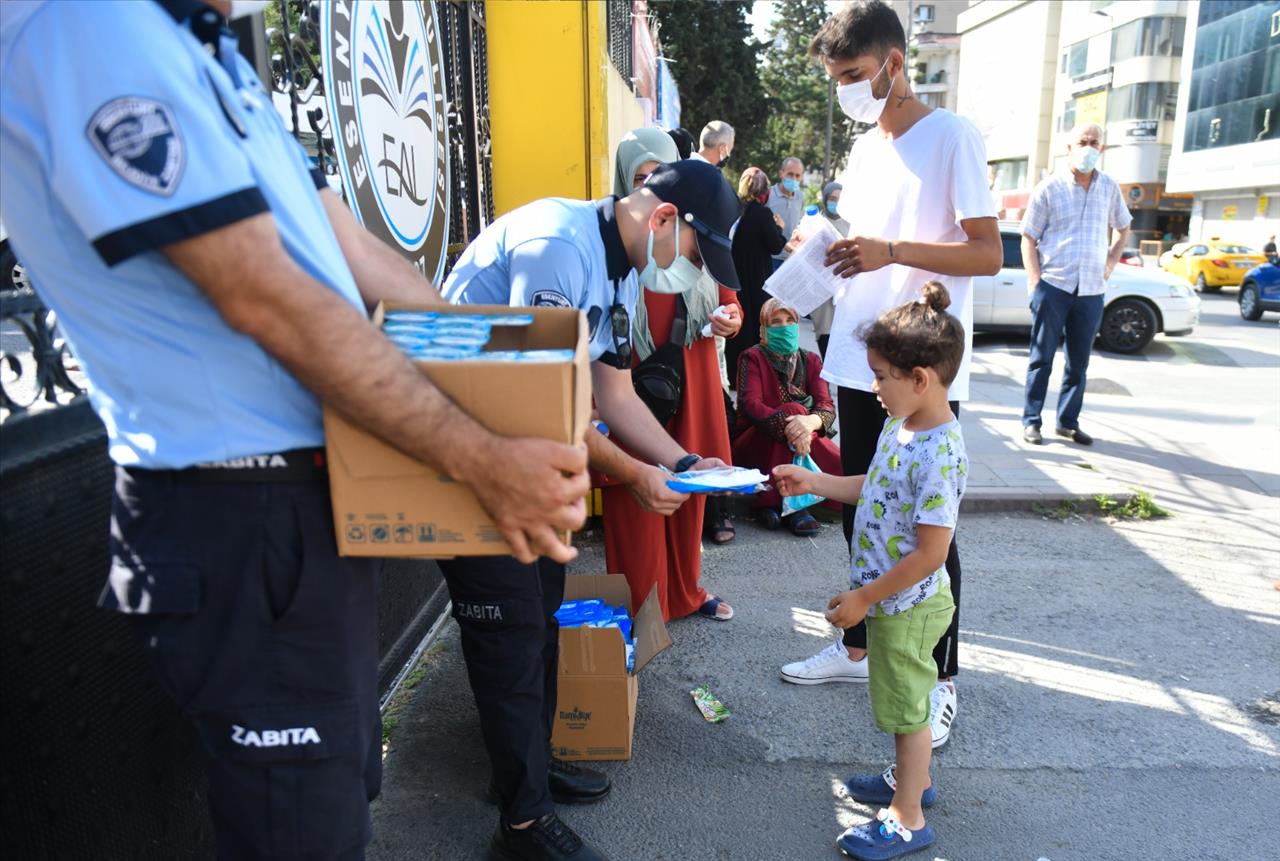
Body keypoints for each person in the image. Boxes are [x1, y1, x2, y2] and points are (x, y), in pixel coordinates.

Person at [0, 2, 589, 859]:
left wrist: (511, 390)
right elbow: (260, 292)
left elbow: (360, 259)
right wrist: (482, 455)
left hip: (306, 509)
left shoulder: (204, 51)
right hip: (236, 511)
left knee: (341, 794)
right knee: (299, 829)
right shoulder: (90, 25)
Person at [442, 158, 742, 858]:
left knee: (541, 609)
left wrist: (684, 462)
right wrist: (637, 474)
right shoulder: (560, 248)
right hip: (462, 453)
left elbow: (614, 396)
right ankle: (519, 824)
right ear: (666, 220)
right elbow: (547, 408)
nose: (692, 275)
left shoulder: (618, 264)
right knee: (509, 633)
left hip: (517, 452)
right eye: (699, 257)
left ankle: (529, 771)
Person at [778, 0, 1001, 753]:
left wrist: (892, 252)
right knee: (862, 511)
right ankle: (857, 649)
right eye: (837, 76)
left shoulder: (952, 136)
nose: (845, 88)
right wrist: (820, 255)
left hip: (918, 366)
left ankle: (941, 680)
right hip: (856, 352)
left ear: (895, 63)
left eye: (854, 74)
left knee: (929, 528)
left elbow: (987, 254)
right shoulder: (866, 146)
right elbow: (861, 244)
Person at [774, 282, 968, 861]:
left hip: (907, 606)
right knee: (901, 702)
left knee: (908, 711)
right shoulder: (901, 425)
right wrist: (816, 481)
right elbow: (872, 487)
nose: (873, 387)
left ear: (921, 379)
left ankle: (907, 816)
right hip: (891, 603)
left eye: (881, 376)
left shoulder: (940, 450)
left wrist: (864, 599)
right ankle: (915, 781)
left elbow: (933, 553)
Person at [1020, 122, 1132, 448]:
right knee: (1041, 359)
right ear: (1069, 147)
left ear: (1102, 149)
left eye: (1094, 142)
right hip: (1054, 285)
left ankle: (1068, 422)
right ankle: (1032, 421)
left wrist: (1111, 261)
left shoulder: (1109, 187)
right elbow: (1028, 237)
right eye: (1082, 141)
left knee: (1079, 363)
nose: (1088, 147)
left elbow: (1123, 227)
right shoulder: (1049, 188)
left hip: (1091, 290)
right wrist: (1035, 282)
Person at [732, 298, 841, 536]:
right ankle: (795, 508)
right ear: (763, 330)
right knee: (794, 410)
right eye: (776, 322)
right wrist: (791, 423)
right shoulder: (752, 357)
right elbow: (750, 405)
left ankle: (772, 503)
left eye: (790, 320)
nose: (785, 327)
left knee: (847, 474)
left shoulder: (810, 359)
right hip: (757, 440)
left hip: (806, 437)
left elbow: (826, 405)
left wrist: (808, 424)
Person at [726, 167, 787, 383]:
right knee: (756, 328)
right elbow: (774, 245)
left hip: (733, 275)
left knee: (737, 326)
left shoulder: (734, 210)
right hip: (756, 278)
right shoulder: (762, 214)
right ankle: (751, 376)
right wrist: (779, 228)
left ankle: (734, 375)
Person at [811, 181, 849, 359]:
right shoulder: (815, 222)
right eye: (832, 199)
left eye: (840, 200)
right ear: (825, 199)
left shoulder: (851, 223)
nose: (836, 203)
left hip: (844, 286)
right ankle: (824, 380)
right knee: (824, 329)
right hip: (821, 285)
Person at [766, 156, 806, 270]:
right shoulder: (769, 195)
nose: (794, 178)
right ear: (781, 174)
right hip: (772, 256)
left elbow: (800, 223)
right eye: (790, 174)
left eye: (797, 175)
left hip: (792, 257)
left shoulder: (801, 197)